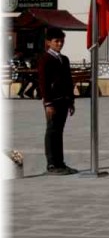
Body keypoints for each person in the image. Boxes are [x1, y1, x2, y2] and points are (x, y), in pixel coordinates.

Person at [39, 27, 76, 175]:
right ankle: (52, 164)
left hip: (64, 100)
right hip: (52, 102)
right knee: (52, 131)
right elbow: (43, 82)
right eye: (56, 41)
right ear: (48, 42)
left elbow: (68, 81)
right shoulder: (45, 59)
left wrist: (71, 101)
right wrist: (48, 102)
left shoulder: (64, 59)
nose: (60, 44)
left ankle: (60, 162)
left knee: (59, 132)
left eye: (62, 41)